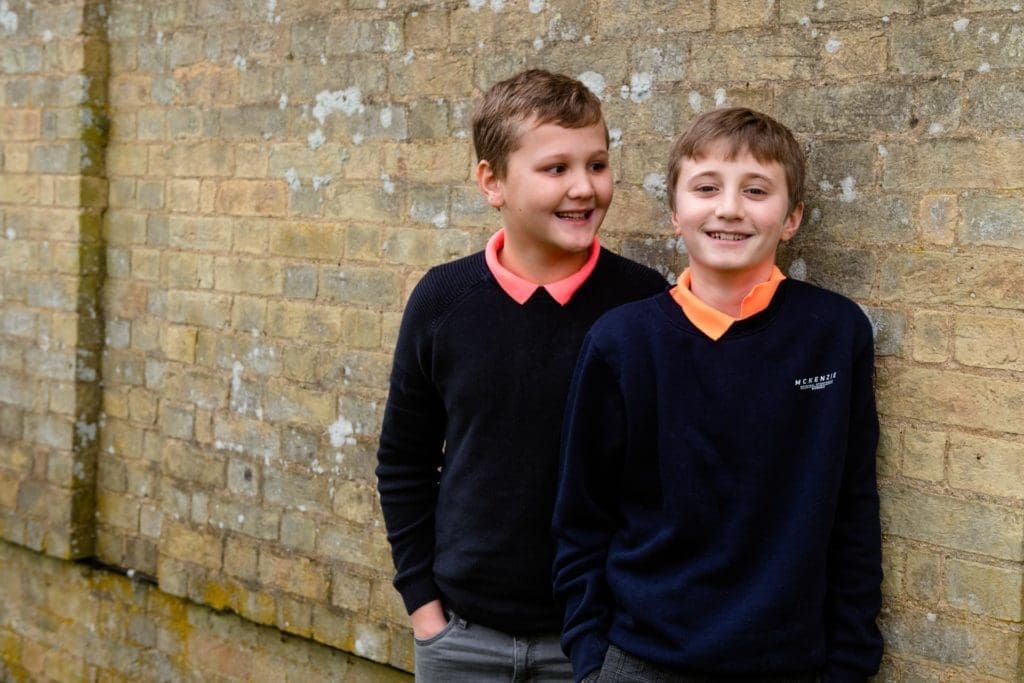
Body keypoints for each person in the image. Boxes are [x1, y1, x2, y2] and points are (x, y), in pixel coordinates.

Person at [552, 107, 883, 682]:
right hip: (642, 660)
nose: (729, 208)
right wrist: (590, 661)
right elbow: (581, 515)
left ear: (792, 217)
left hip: (788, 664)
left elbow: (852, 508)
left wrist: (850, 664)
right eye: (706, 188)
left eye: (756, 190)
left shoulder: (833, 333)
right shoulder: (622, 341)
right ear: (676, 213)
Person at [376, 69, 667, 681]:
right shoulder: (442, 301)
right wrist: (425, 611)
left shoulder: (642, 305)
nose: (584, 188)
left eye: (597, 164)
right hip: (461, 639)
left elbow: (662, 474)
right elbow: (405, 460)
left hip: (595, 642)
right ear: (492, 182)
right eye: (555, 169)